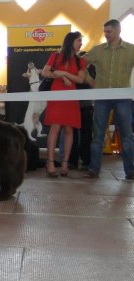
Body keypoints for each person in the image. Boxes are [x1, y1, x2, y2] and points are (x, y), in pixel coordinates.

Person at [82, 19, 134, 179]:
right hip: (101, 97)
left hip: (123, 98)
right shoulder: (97, 50)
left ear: (119, 31)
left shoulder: (131, 50)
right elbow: (80, 62)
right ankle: (94, 169)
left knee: (126, 135)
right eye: (105, 31)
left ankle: (130, 171)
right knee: (97, 135)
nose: (106, 35)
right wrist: (89, 79)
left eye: (109, 31)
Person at [41, 31, 86, 177]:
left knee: (69, 130)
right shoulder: (55, 56)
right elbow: (45, 72)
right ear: (70, 41)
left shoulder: (80, 60)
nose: (81, 43)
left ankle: (65, 162)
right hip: (57, 96)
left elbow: (80, 80)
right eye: (79, 40)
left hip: (71, 98)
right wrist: (60, 73)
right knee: (55, 128)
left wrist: (63, 74)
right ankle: (50, 162)